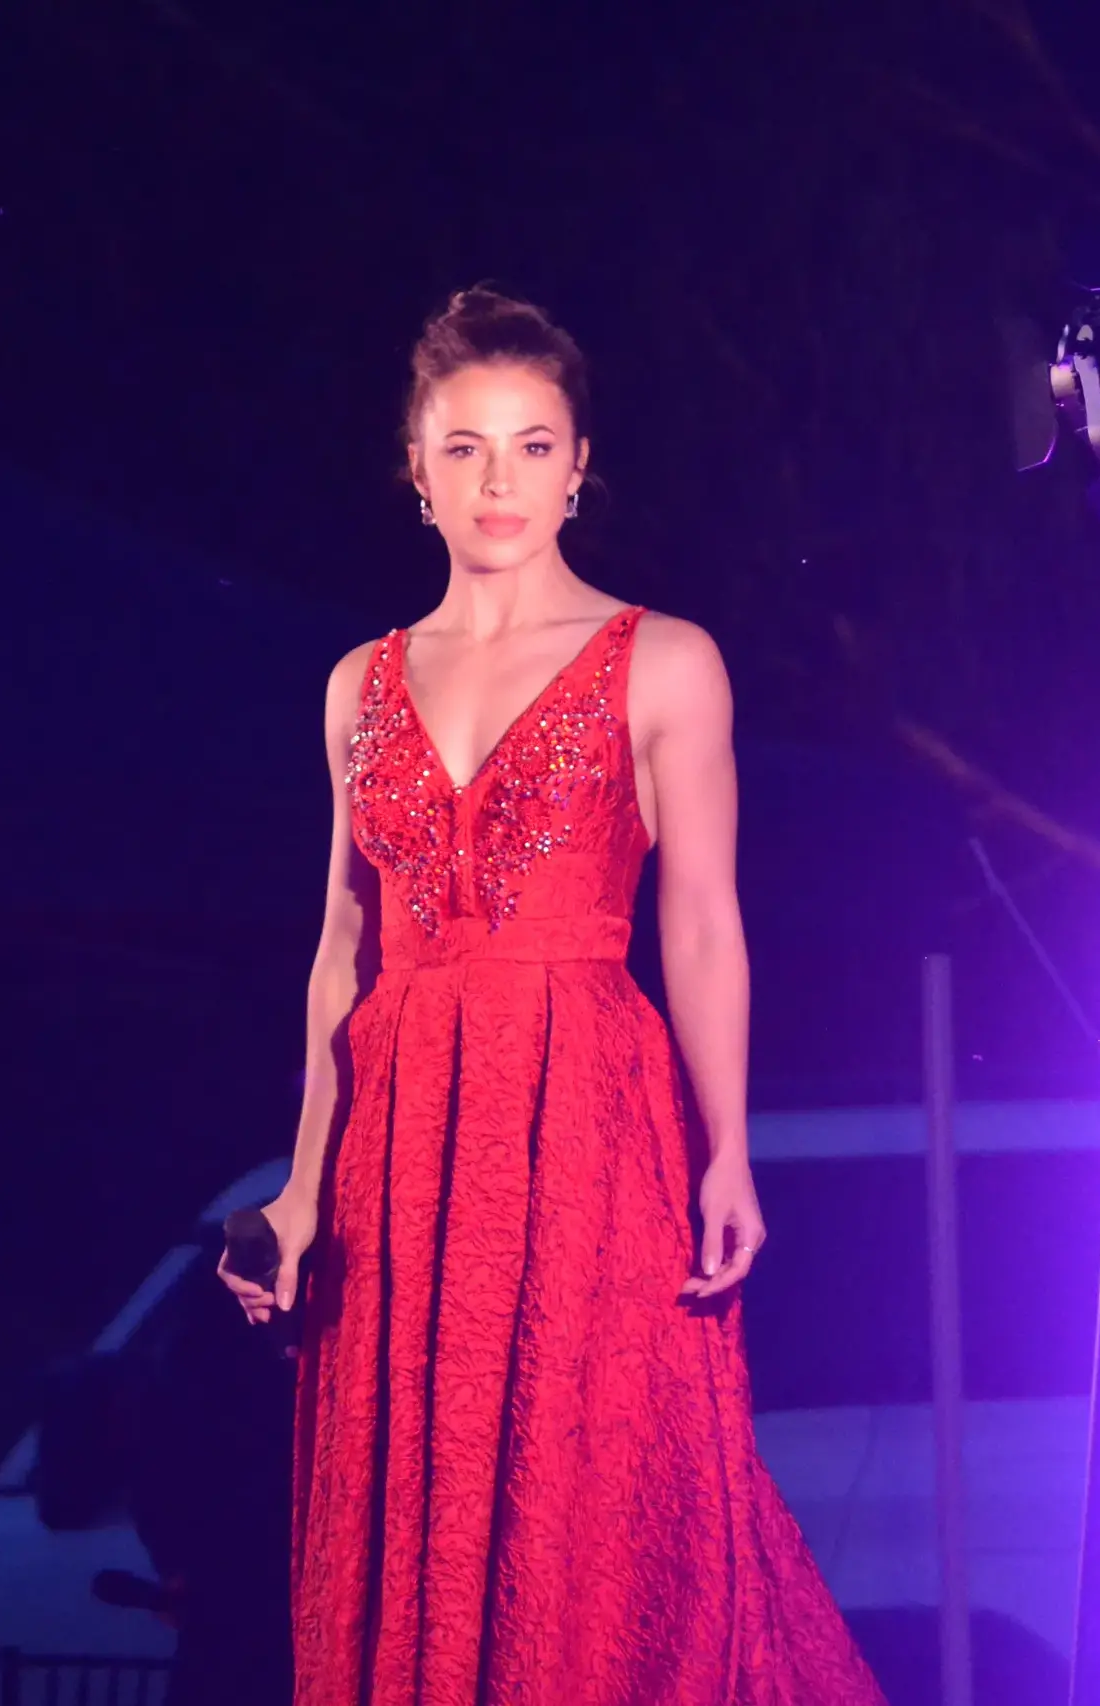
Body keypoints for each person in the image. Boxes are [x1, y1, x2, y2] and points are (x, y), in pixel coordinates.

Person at [218, 288, 885, 1703]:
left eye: (531, 446)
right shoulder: (358, 684)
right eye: (464, 448)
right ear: (416, 467)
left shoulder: (666, 659)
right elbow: (344, 946)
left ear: (579, 464)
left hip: (583, 1115)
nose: (498, 481)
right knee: (415, 1487)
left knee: (596, 1493)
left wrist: (730, 1147)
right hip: (403, 1141)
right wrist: (302, 1185)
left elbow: (701, 922)